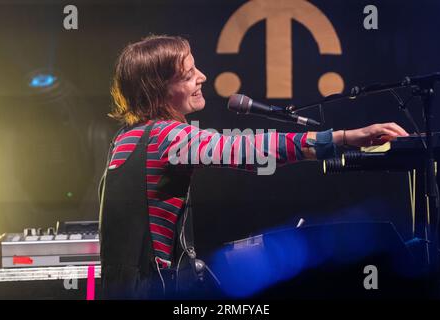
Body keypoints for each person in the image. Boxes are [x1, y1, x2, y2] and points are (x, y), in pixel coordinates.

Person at [98, 34, 409, 299]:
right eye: (188, 74)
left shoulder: (127, 137)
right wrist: (344, 137)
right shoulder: (168, 136)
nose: (202, 77)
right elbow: (250, 150)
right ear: (159, 89)